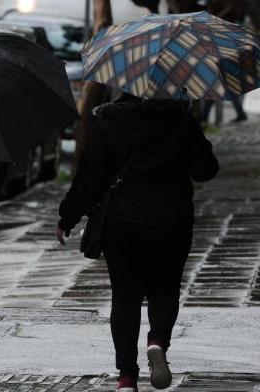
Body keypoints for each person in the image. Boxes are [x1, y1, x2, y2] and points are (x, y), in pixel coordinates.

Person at [57, 94, 219, 392]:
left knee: (125, 297)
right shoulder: (180, 120)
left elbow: (89, 179)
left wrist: (67, 217)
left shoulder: (110, 121)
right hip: (171, 220)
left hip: (122, 222)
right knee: (165, 288)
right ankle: (157, 341)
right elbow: (206, 169)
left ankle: (127, 378)